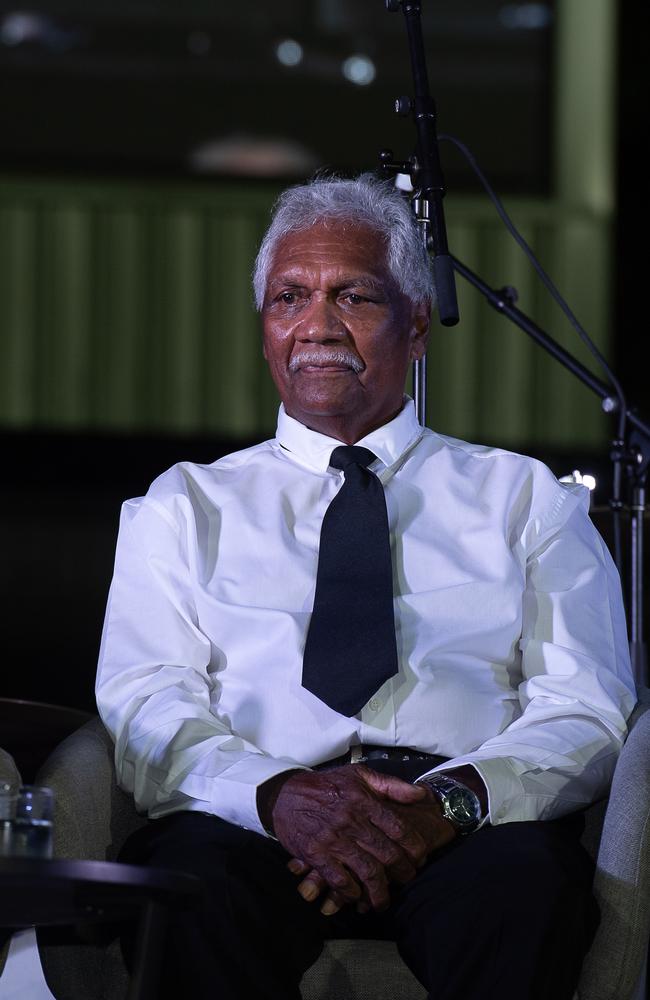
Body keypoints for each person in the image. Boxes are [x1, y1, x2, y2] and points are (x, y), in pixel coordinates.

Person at [96, 173, 636, 1000]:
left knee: (521, 896)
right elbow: (145, 698)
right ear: (264, 327)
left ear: (417, 326)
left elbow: (586, 705)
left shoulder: (527, 498)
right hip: (252, 820)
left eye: (355, 297)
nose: (317, 326)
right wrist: (279, 798)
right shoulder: (183, 504)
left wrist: (444, 807)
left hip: (465, 824)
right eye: (289, 298)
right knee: (193, 890)